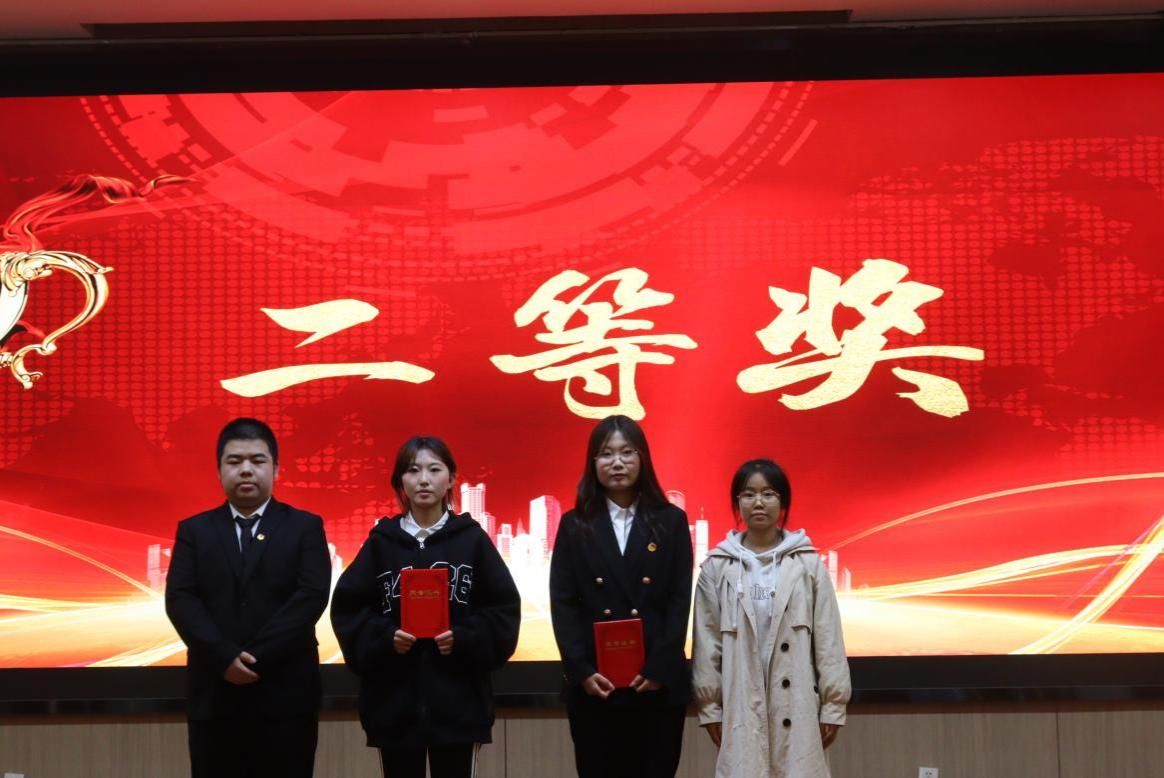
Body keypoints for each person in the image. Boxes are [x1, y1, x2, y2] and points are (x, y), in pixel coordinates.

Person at [330, 436, 520, 778]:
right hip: (394, 710)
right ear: (400, 481)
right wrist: (386, 637)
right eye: (413, 470)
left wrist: (463, 637)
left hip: (460, 708)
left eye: (434, 469)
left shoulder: (472, 540)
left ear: (451, 479)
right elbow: (348, 610)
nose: (423, 480)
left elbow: (503, 611)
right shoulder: (381, 543)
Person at [165, 417, 331, 778]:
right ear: (219, 470)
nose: (245, 470)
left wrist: (257, 658)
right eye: (234, 461)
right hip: (216, 692)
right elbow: (180, 598)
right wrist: (224, 657)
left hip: (286, 694)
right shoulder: (195, 530)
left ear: (276, 469)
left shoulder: (305, 526)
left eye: (257, 460)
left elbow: (311, 596)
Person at [549, 415, 693, 778]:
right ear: (593, 462)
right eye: (606, 453)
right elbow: (563, 603)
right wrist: (582, 671)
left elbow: (679, 601)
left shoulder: (671, 521)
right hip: (597, 685)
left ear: (642, 458)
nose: (617, 462)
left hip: (656, 684)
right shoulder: (574, 524)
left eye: (627, 452)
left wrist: (659, 668)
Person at [693, 458, 850, 778]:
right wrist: (709, 707)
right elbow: (707, 644)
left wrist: (833, 705)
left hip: (798, 704)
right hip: (740, 707)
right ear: (737, 502)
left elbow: (829, 639)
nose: (758, 502)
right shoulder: (717, 567)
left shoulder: (807, 564)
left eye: (768, 493)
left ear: (783, 502)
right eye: (748, 494)